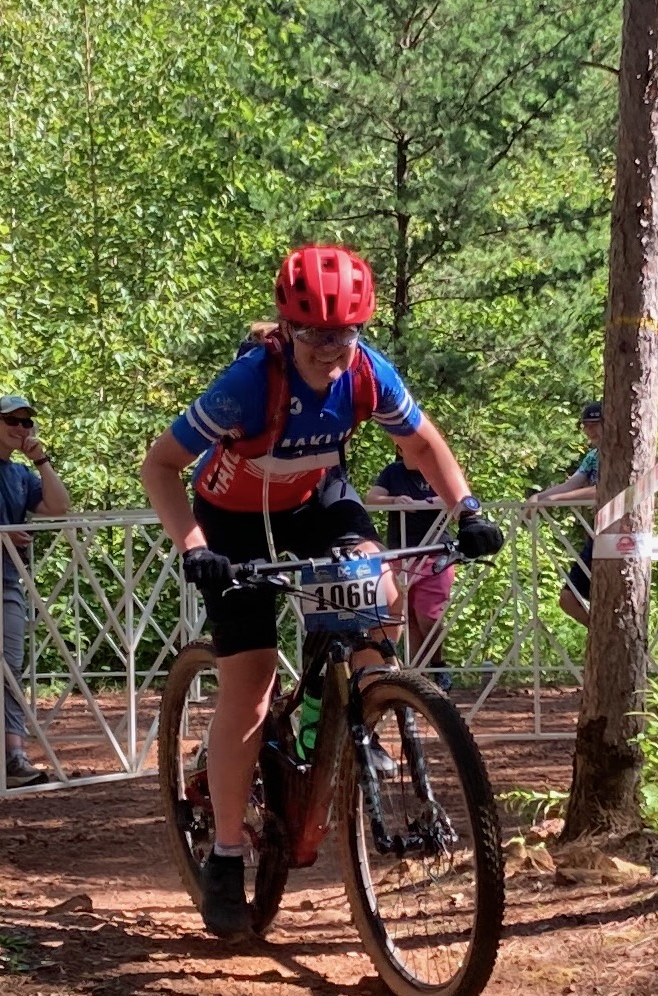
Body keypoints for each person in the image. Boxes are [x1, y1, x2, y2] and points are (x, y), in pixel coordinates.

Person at [139, 244, 504, 939]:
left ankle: (356, 711)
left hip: (316, 502)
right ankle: (225, 853)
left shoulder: (367, 372)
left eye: (345, 333)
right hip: (234, 521)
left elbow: (422, 445)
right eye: (314, 335)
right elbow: (159, 466)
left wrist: (468, 510)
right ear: (287, 327)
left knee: (381, 591)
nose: (331, 350)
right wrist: (195, 549)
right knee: (249, 684)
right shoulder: (249, 383)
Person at [0, 394, 72, 787]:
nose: (20, 429)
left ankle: (14, 757)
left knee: (8, 666)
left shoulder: (20, 474)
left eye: (26, 423)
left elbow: (58, 506)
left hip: (6, 579)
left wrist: (41, 459)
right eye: (12, 421)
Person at [365, 444, 456, 690]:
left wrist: (434, 501)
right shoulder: (392, 472)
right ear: (400, 449)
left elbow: (459, 498)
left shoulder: (437, 469)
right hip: (402, 554)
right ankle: (419, 676)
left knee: (429, 615)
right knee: (410, 617)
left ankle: (437, 666)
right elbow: (371, 498)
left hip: (436, 553)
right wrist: (395, 500)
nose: (416, 451)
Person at [527, 401, 602, 628]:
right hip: (596, 533)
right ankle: (601, 635)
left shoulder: (624, 456)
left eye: (595, 424)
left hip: (619, 533)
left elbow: (606, 490)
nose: (589, 431)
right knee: (568, 598)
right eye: (586, 425)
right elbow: (571, 484)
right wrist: (539, 498)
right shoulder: (592, 457)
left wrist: (556, 500)